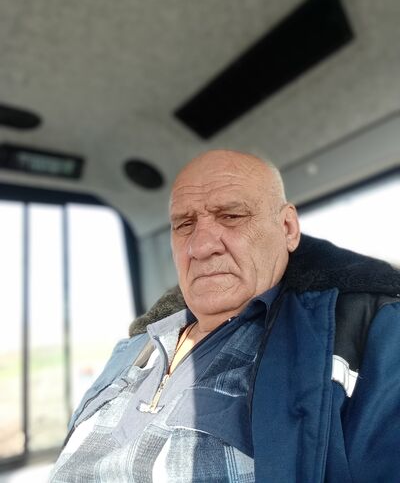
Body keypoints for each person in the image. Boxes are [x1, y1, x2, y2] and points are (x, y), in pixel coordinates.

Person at [50, 150, 400, 482]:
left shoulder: (361, 334)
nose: (200, 247)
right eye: (184, 224)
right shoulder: (137, 346)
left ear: (288, 228)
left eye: (231, 216)